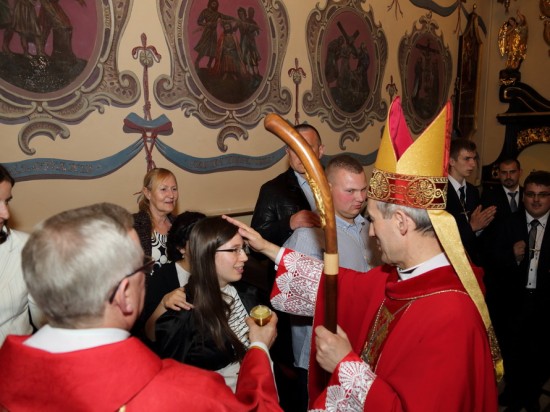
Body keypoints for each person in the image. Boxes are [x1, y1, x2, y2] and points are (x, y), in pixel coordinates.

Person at [224, 97, 500, 410]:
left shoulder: (451, 314)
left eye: (375, 220)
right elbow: (342, 285)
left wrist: (344, 364)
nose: (370, 232)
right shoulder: (407, 279)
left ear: (401, 222)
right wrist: (268, 248)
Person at [0, 203, 281, 411]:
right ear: (125, 293)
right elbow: (256, 408)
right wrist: (258, 348)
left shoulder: (8, 375)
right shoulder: (185, 392)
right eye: (142, 267)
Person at [282, 154, 376, 410]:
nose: (360, 198)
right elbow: (293, 300)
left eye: (363, 189)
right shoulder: (309, 236)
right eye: (350, 191)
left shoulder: (371, 228)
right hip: (318, 358)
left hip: (359, 351)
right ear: (327, 189)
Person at [154, 216, 266, 392]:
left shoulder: (247, 289)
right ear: (207, 254)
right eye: (234, 250)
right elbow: (175, 383)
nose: (244, 257)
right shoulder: (185, 311)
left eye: (243, 248)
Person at [494, 170, 550, 412]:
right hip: (513, 302)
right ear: (523, 195)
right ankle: (514, 394)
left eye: (543, 195)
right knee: (512, 352)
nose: (536, 200)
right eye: (531, 194)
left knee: (540, 354)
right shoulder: (508, 223)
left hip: (545, 303)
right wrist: (511, 256)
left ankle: (531, 395)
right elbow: (491, 261)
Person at [142, 211, 206, 343]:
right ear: (181, 248)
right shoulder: (162, 277)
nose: (206, 245)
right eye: (199, 240)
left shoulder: (220, 269)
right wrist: (163, 303)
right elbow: (149, 334)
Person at [480, 158, 523, 338]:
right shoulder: (489, 197)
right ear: (498, 174)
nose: (508, 176)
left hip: (523, 269)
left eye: (512, 172)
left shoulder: (529, 195)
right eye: (504, 173)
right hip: (498, 270)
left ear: (519, 172)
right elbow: (486, 239)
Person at [0, 164, 42, 345]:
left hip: (16, 358)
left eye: (6, 201)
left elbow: (45, 320)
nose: (5, 213)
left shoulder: (25, 248)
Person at [446, 138, 496, 265]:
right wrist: (472, 227)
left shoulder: (473, 191)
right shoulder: (439, 192)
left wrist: (481, 227)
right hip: (448, 261)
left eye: (474, 159)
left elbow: (477, 232)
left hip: (472, 260)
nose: (473, 164)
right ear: (451, 161)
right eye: (467, 159)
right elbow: (441, 236)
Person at [133, 167, 178, 270]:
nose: (171, 195)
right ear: (147, 193)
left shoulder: (179, 225)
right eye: (163, 189)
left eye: (174, 189)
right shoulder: (134, 226)